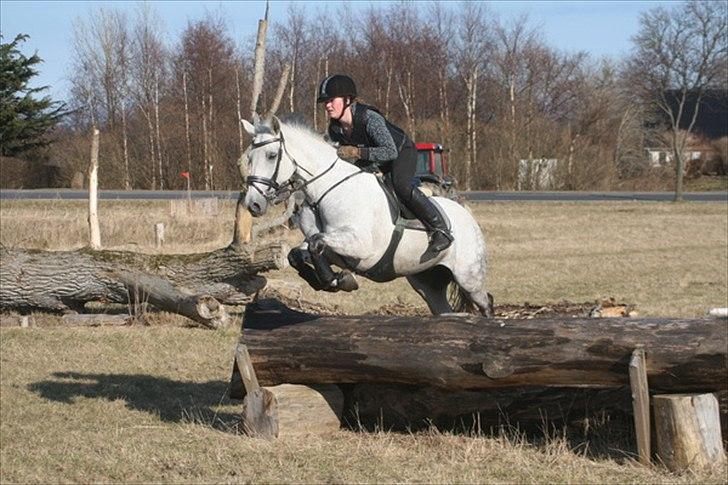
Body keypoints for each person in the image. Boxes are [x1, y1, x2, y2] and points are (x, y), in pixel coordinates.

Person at [317, 74, 453, 255]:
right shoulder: (335, 129)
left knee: (401, 186)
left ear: (347, 99)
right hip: (374, 160)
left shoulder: (369, 118)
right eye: (325, 102)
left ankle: (440, 229)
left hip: (401, 152)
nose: (327, 105)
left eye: (331, 100)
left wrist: (358, 152)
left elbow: (390, 152)